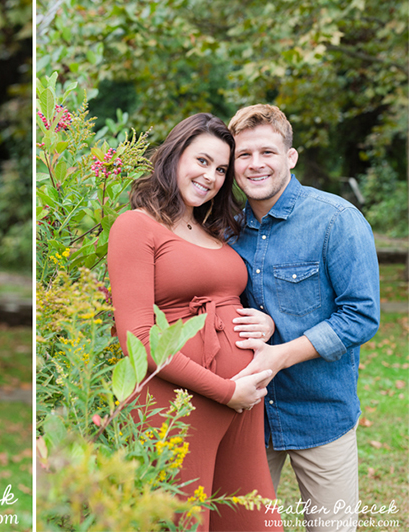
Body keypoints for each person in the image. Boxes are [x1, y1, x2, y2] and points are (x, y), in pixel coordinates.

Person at [107, 113, 282, 531]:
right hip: (180, 404)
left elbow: (227, 301)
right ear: (174, 155)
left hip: (243, 401)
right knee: (184, 523)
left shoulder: (212, 230)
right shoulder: (137, 226)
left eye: (221, 169)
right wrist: (226, 391)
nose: (212, 177)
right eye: (202, 161)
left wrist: (265, 325)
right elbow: (138, 339)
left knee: (251, 521)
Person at [227, 104, 381, 532]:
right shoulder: (224, 229)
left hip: (321, 412)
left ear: (289, 157)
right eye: (244, 155)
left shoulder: (337, 221)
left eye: (267, 152)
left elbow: (362, 315)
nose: (256, 164)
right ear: (233, 164)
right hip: (248, 415)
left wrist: (280, 355)